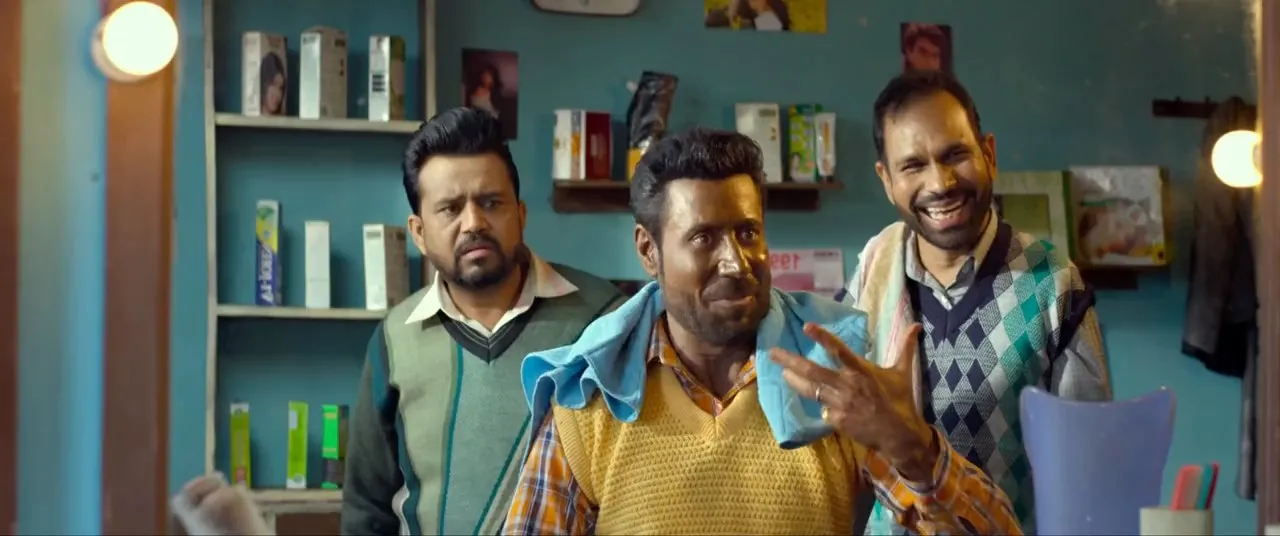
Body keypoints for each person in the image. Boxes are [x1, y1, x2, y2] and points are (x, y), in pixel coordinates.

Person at [501, 128, 1021, 535]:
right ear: (648, 251)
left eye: (748, 232)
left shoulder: (832, 377)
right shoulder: (591, 396)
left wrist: (916, 450)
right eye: (703, 238)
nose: (735, 262)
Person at [843, 70, 1112, 534]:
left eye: (955, 155)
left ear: (989, 154)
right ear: (886, 179)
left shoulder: (1052, 284)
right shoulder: (873, 269)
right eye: (913, 166)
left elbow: (1090, 468)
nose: (940, 183)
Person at [341, 108, 625, 535]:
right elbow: (366, 509)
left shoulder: (605, 319)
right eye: (450, 209)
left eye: (491, 203)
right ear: (418, 232)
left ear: (521, 214)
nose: (473, 223)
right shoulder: (395, 339)